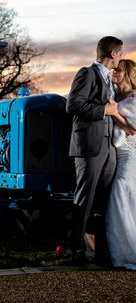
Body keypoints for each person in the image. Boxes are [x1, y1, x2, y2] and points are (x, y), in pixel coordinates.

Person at [66, 36, 123, 264]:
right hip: (89, 145)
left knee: (103, 200)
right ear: (112, 54)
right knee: (85, 198)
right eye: (120, 53)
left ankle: (100, 252)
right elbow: (73, 104)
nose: (121, 57)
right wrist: (103, 110)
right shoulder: (86, 73)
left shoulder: (110, 78)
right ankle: (77, 252)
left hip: (109, 146)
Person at [106, 59, 136, 270]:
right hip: (117, 154)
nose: (114, 72)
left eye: (119, 70)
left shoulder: (134, 99)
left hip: (131, 155)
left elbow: (133, 130)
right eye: (114, 69)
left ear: (129, 74)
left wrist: (114, 112)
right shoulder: (117, 96)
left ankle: (128, 253)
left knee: (121, 191)